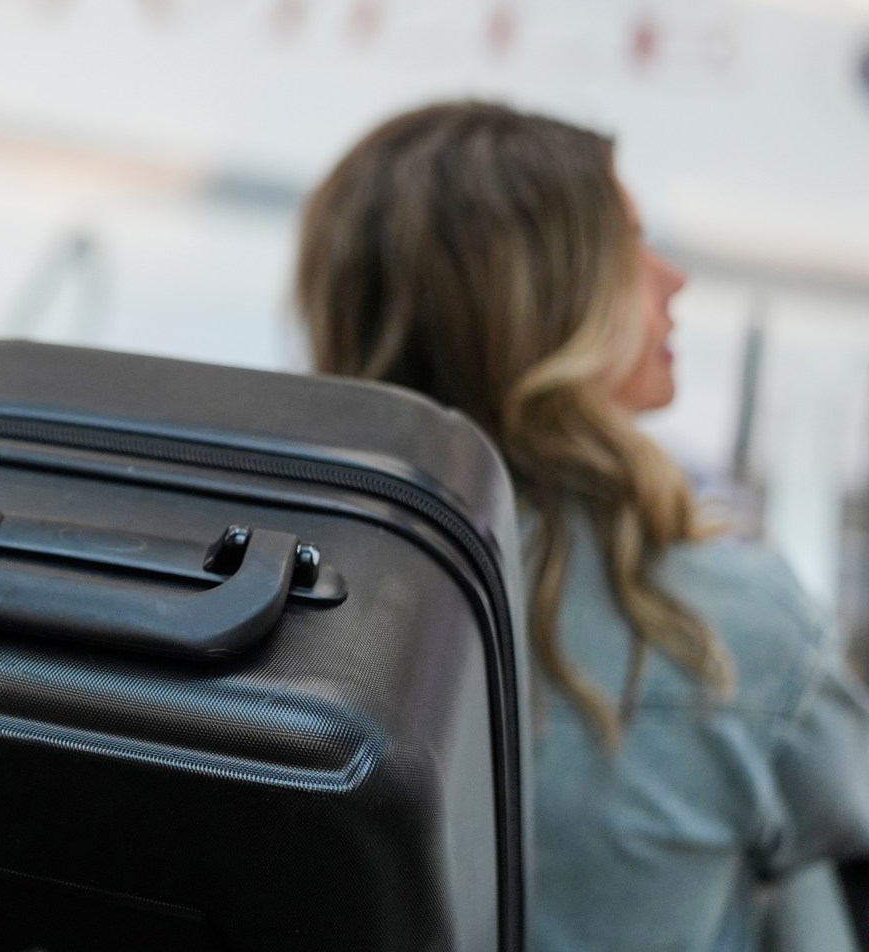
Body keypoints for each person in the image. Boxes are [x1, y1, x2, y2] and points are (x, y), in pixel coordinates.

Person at [295, 101, 869, 952]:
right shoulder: (719, 623)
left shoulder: (270, 581)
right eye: (630, 247)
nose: (673, 278)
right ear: (548, 305)